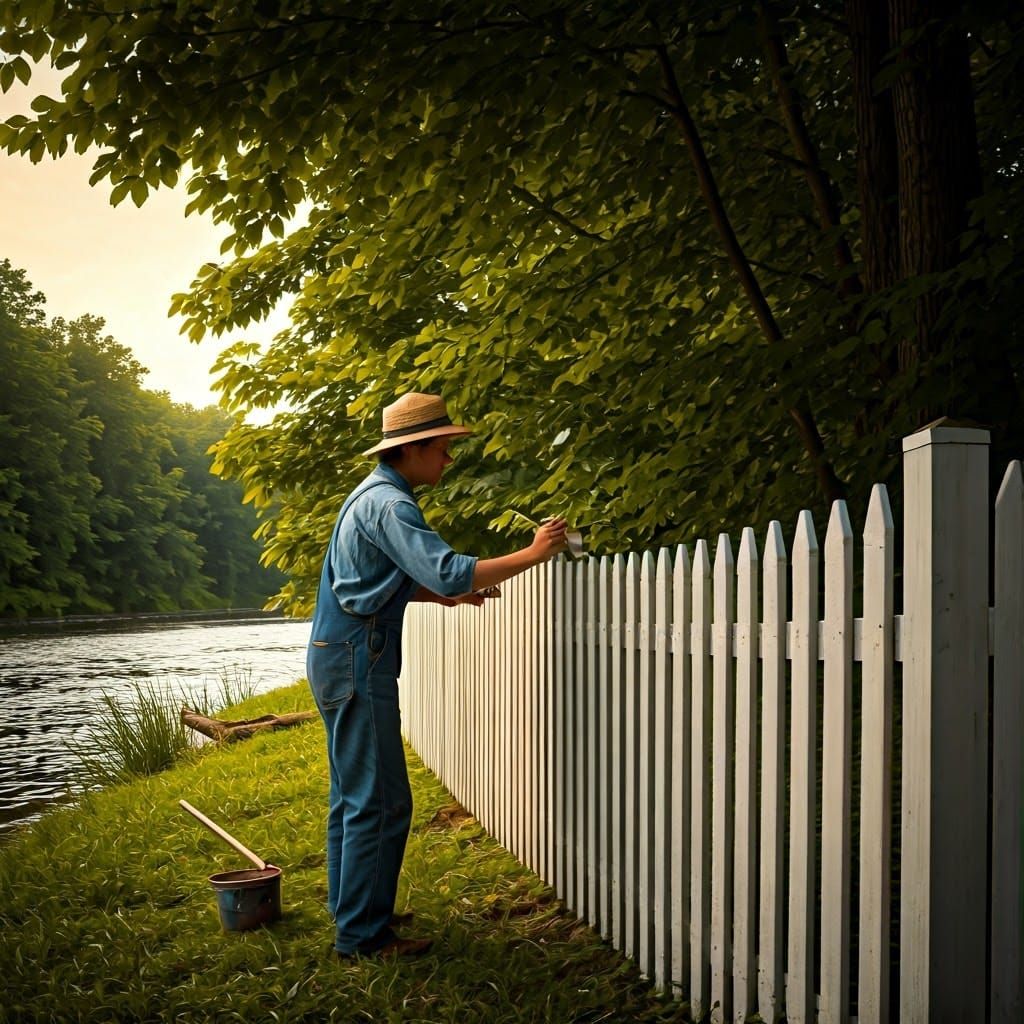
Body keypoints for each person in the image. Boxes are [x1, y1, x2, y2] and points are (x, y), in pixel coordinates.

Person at [306, 391, 567, 959]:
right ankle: (363, 937)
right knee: (381, 802)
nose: (449, 461)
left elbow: (368, 580)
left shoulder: (368, 497)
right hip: (358, 659)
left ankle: (353, 911)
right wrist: (534, 551)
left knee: (353, 795)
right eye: (444, 449)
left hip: (336, 652)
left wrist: (441, 598)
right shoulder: (393, 505)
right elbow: (450, 570)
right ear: (413, 448)